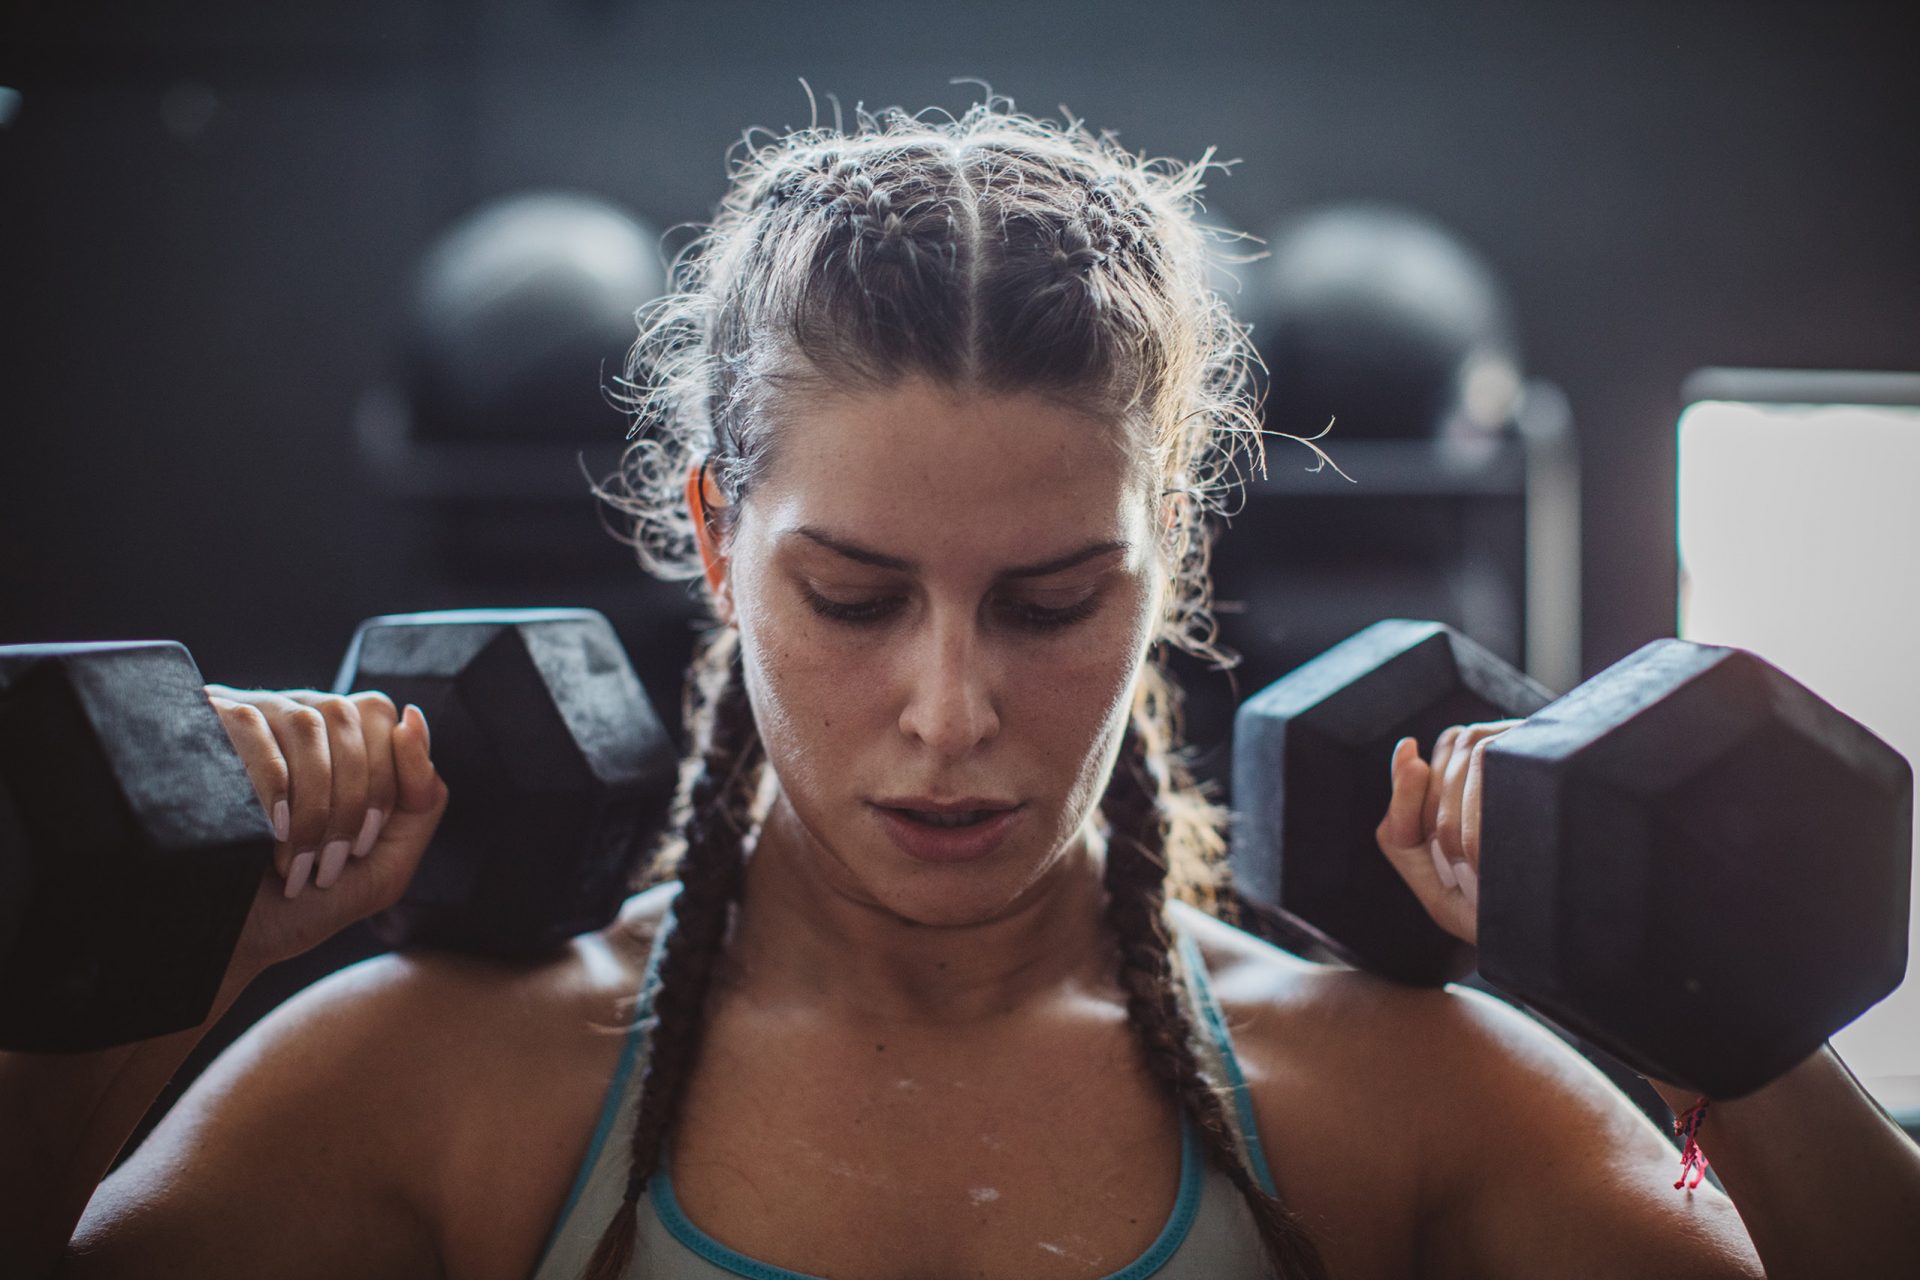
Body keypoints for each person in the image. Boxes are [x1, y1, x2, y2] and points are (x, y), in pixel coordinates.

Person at [12, 93, 1920, 1280]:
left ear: (1167, 543)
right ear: (709, 534)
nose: (947, 713)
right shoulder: (449, 1084)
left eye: (1050, 599)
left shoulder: (1379, 1096)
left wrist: (1718, 1029)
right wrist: (148, 985)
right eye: (849, 598)